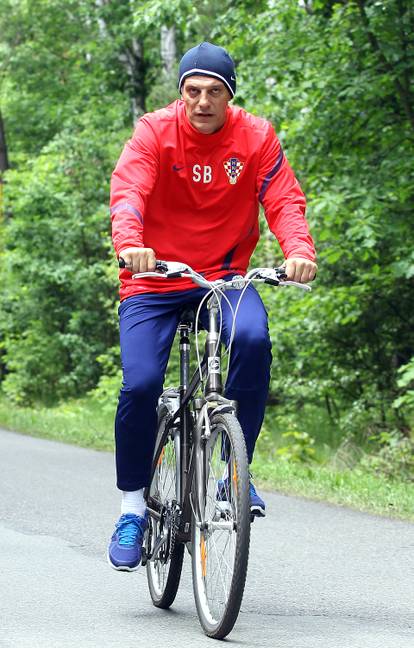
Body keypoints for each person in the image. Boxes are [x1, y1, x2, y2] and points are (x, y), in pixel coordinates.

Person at [108, 42, 317, 571]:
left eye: (214, 91)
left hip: (223, 278)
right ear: (180, 94)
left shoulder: (255, 137)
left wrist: (298, 250)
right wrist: (132, 243)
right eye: (192, 91)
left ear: (230, 96)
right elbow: (129, 190)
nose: (202, 101)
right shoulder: (154, 132)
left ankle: (231, 476)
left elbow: (284, 200)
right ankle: (133, 507)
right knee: (139, 383)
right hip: (153, 278)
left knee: (252, 339)